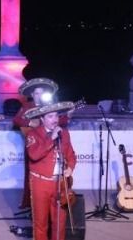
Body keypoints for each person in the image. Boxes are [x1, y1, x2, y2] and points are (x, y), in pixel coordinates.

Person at [12, 77, 72, 209]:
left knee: (49, 171)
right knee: (29, 171)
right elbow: (16, 120)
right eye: (36, 93)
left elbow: (59, 122)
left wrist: (68, 116)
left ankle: (51, 199)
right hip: (33, 143)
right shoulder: (27, 106)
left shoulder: (49, 106)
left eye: (41, 93)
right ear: (32, 95)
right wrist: (29, 122)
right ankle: (27, 202)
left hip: (50, 142)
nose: (39, 96)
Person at [25, 101, 77, 240]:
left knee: (59, 222)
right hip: (40, 183)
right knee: (40, 222)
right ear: (42, 119)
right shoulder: (33, 134)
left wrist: (70, 168)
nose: (54, 119)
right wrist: (51, 139)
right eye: (50, 116)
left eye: (56, 116)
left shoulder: (64, 133)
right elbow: (34, 155)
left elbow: (71, 155)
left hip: (60, 183)